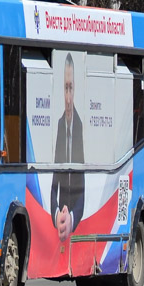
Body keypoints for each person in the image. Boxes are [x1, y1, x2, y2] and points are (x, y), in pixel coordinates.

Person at [52, 53, 85, 243]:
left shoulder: (82, 127)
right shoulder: (58, 125)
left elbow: (84, 188)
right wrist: (56, 213)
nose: (68, 97)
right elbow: (53, 184)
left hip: (73, 218)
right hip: (60, 219)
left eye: (71, 88)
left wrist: (72, 217)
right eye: (65, 88)